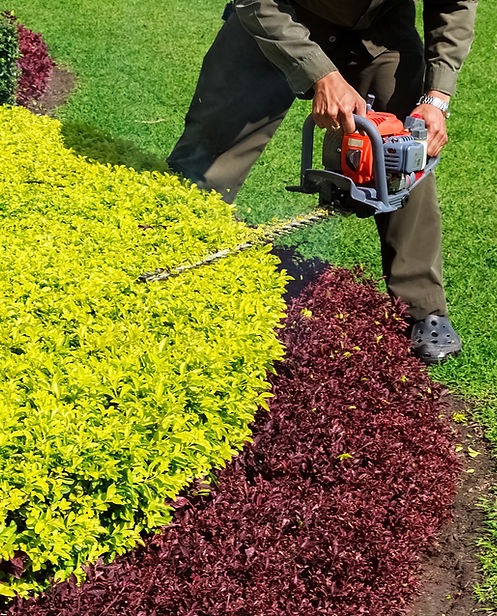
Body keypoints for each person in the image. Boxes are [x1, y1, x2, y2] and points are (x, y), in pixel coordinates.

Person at [167, 0, 477, 364]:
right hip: (276, 18)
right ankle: (169, 250)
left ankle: (425, 308)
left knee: (401, 150)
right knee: (209, 154)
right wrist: (320, 74)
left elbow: (454, 5)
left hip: (376, 31)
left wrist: (436, 98)